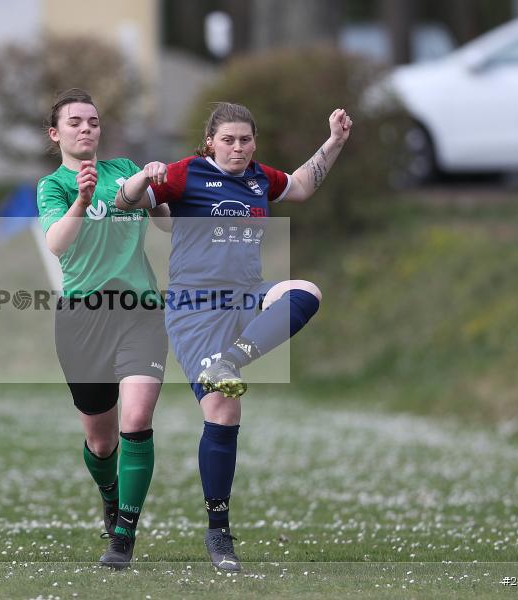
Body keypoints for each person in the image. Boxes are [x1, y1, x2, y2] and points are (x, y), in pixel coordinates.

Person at [114, 102, 352, 571]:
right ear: (210, 142)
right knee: (223, 409)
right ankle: (218, 533)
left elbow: (301, 185)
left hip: (246, 295)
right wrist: (146, 176)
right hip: (196, 308)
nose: (238, 148)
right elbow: (126, 201)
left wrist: (336, 141)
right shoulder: (185, 174)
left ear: (254, 142)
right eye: (228, 140)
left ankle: (233, 361)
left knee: (305, 291)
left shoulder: (260, 178)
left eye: (245, 139)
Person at [37, 88, 171, 570]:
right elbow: (57, 244)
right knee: (101, 440)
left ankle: (124, 537)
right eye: (74, 122)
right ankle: (111, 500)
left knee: (136, 420)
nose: (86, 128)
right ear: (56, 134)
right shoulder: (52, 186)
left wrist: (156, 189)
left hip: (140, 310)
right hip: (81, 319)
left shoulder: (123, 172)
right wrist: (83, 202)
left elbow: (166, 226)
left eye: (92, 121)